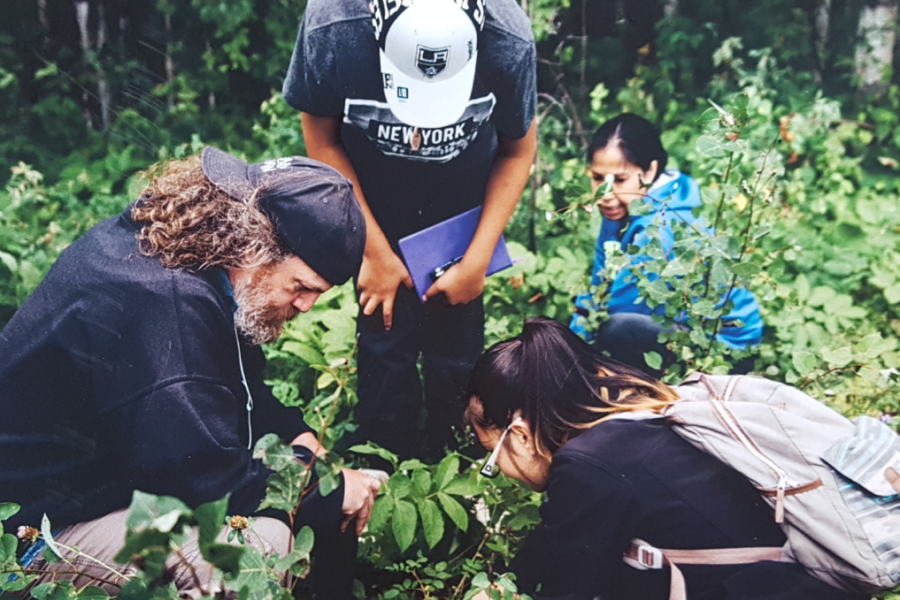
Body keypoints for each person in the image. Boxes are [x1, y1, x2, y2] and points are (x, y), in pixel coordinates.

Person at [0, 147, 382, 599]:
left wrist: (294, 435)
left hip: (91, 484)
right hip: (29, 536)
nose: (305, 306)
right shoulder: (167, 306)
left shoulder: (182, 251)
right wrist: (326, 490)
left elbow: (237, 381)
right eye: (300, 287)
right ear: (255, 245)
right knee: (252, 553)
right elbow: (200, 479)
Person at [283, 0, 538, 462]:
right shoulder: (335, 25)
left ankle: (455, 465)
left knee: (458, 362)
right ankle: (380, 464)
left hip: (461, 211)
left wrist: (477, 261)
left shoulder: (508, 38)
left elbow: (517, 151)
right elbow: (322, 139)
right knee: (383, 351)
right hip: (369, 201)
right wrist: (373, 254)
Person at [466, 317, 867, 600]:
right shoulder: (634, 406)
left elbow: (562, 586)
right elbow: (560, 545)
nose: (501, 472)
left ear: (518, 434)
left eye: (491, 456)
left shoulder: (589, 464)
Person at [570, 114, 763, 377]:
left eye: (619, 179)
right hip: (675, 327)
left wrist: (568, 357)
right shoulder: (620, 205)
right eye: (596, 177)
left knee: (616, 330)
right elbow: (598, 284)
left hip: (724, 351)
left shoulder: (662, 227)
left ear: (650, 170)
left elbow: (619, 308)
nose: (605, 194)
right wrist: (570, 338)